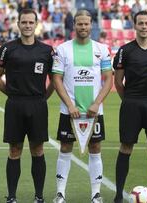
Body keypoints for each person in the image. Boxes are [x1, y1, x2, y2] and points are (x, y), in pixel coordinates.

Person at [0, 8, 54, 203]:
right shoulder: (7, 48)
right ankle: (11, 197)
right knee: (14, 150)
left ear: (36, 25)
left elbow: (55, 80)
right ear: (18, 24)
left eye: (30, 22)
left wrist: (44, 97)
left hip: (38, 105)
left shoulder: (46, 50)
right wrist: (11, 93)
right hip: (15, 105)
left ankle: (39, 196)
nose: (27, 25)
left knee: (38, 150)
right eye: (24, 22)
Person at [52, 9, 113, 203]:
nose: (83, 27)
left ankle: (96, 194)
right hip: (69, 111)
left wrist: (96, 104)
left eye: (86, 23)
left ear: (91, 25)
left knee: (95, 148)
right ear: (74, 25)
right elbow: (57, 79)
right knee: (65, 148)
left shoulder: (101, 49)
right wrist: (69, 105)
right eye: (79, 23)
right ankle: (60, 193)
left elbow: (109, 79)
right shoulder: (63, 49)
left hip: (94, 111)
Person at [113, 10, 147, 203]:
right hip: (131, 103)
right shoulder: (125, 50)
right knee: (126, 146)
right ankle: (118, 194)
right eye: (140, 23)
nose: (144, 26)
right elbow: (118, 81)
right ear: (135, 25)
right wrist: (128, 99)